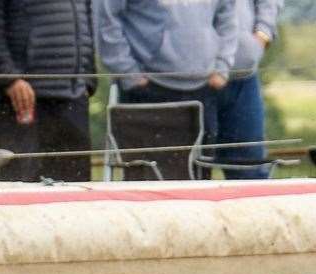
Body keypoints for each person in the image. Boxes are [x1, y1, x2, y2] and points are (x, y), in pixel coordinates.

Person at [0, 0, 99, 181]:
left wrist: (88, 80)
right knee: (16, 196)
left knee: (73, 197)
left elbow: (86, 27)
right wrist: (9, 79)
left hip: (72, 100)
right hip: (18, 104)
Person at [95, 0, 236, 158]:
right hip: (147, 90)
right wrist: (129, 72)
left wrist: (222, 65)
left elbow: (228, 15)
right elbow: (105, 19)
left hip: (204, 88)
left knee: (200, 176)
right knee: (146, 176)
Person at [213, 0, 280, 179]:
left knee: (250, 176)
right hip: (180, 81)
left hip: (242, 77)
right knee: (181, 178)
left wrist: (261, 36)